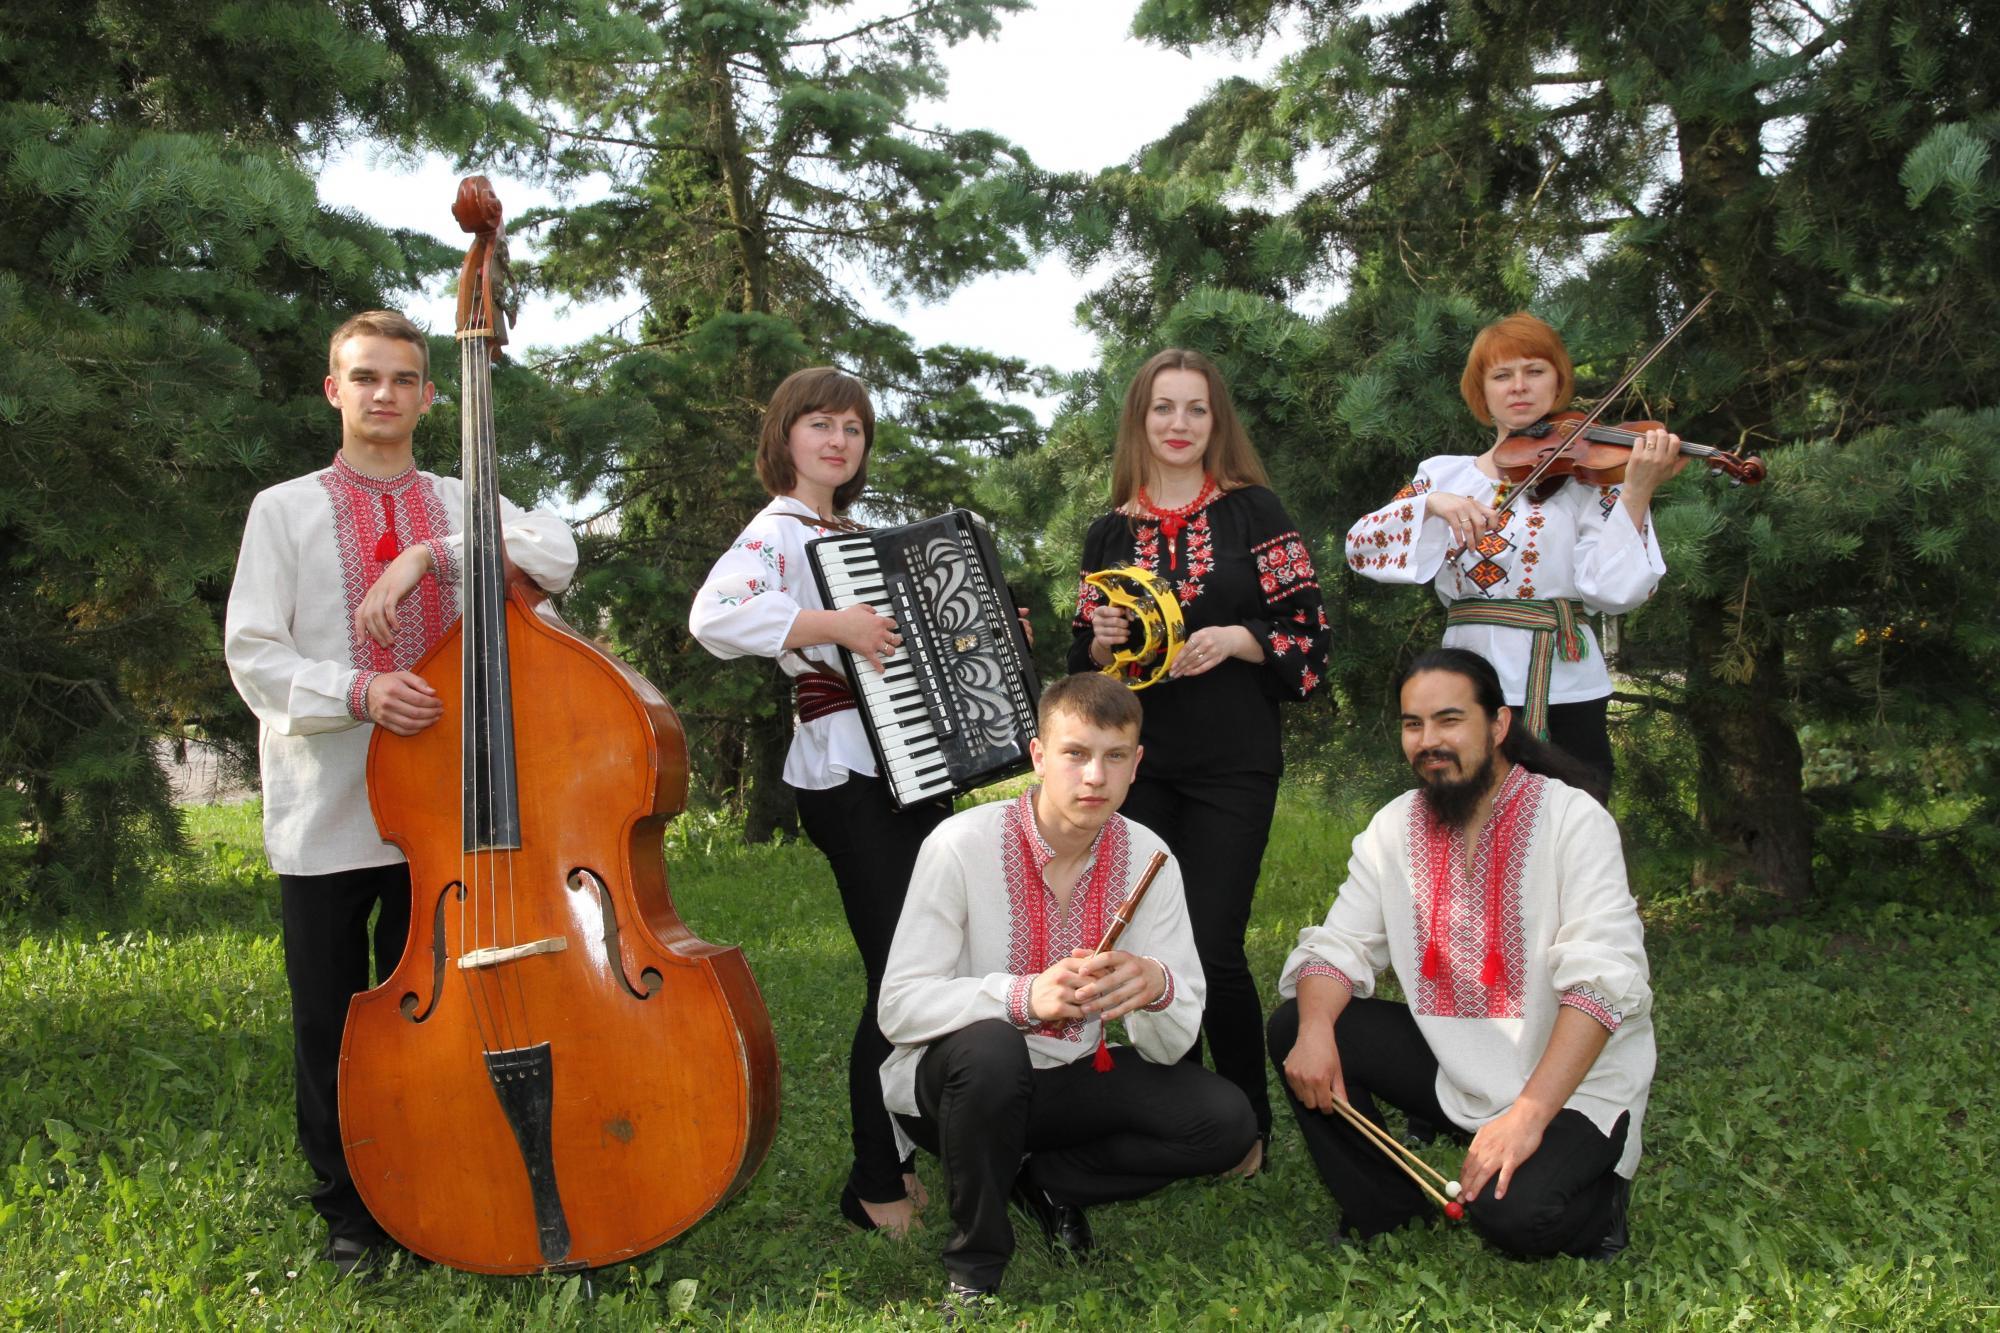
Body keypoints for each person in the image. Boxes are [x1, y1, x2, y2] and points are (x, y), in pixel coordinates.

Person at [223, 310, 577, 1274]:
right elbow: (253, 653)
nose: (385, 393)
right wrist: (360, 690)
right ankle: (351, 1210)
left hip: (450, 820)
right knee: (333, 1021)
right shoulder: (283, 509)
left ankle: (442, 1184)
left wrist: (435, 552)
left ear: (428, 397)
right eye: (365, 376)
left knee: (453, 1012)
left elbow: (556, 550)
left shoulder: (461, 499)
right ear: (333, 391)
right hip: (330, 809)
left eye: (404, 379)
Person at [878, 672, 1256, 1308]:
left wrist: (1156, 986)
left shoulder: (1151, 857)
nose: (1094, 778)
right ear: (1038, 756)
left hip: (1071, 1079)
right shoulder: (960, 844)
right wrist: (1023, 998)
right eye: (1075, 754)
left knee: (1226, 1122)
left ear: (1137, 765)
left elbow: (1170, 1047)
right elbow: (898, 1008)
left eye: (1115, 757)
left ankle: (1048, 1182)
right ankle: (975, 1269)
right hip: (955, 1089)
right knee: (993, 1049)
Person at [1268, 647, 1654, 1259]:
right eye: (1413, 724)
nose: (1429, 742)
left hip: (1575, 1084)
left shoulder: (1573, 820)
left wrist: (1527, 1116)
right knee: (1298, 1023)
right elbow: (1337, 948)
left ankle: (1600, 1201)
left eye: (1449, 720)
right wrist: (1314, 1032)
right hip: (1458, 1071)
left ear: (1498, 725)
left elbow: (1600, 984)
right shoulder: (1394, 827)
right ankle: (1388, 1211)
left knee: (1515, 1221)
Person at [689, 367, 947, 1238]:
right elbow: (713, 616)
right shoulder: (777, 531)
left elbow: (911, 650)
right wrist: (835, 626)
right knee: (898, 975)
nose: (838, 441)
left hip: (911, 767)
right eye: (821, 425)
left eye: (853, 429)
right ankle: (872, 1181)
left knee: (925, 965)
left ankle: (902, 1155)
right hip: (847, 772)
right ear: (786, 437)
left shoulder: (856, 536)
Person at [1067, 348, 1328, 1172]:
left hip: (1232, 764)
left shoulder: (1257, 514)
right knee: (1153, 944)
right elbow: (1084, 667)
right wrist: (1100, 640)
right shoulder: (1109, 531)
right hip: (1138, 768)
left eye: (1196, 409)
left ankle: (1245, 1127)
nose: (1178, 424)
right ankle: (1178, 1116)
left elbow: (1312, 640)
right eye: (1163, 408)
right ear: (1139, 420)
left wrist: (1243, 638)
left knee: (1212, 942)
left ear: (1217, 422)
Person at [1342, 312, 1686, 797]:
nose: (1519, 386)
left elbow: (1616, 592)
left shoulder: (1592, 481)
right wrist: (1431, 505)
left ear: (1558, 382)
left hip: (1567, 681)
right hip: (1469, 684)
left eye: (1535, 371)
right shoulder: (1444, 476)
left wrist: (1636, 492)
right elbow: (1361, 548)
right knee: (1468, 818)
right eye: (1502, 375)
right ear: (1482, 392)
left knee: (1573, 820)